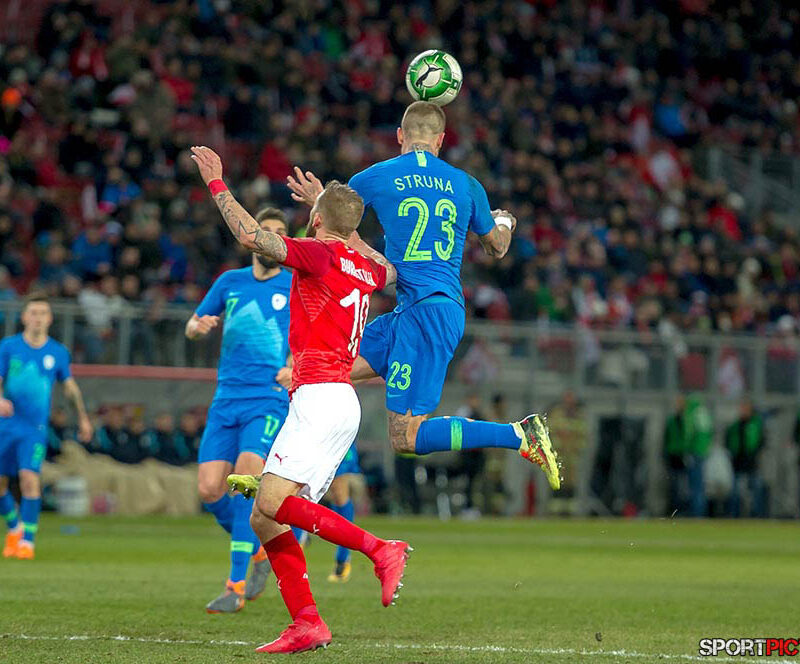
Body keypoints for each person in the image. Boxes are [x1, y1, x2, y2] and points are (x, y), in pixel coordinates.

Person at [191, 145, 408, 654]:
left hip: (319, 398)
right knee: (265, 515)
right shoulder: (363, 265)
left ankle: (379, 548)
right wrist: (338, 218)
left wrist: (217, 182)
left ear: (315, 220)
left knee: (270, 505)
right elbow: (391, 273)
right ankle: (307, 622)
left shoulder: (319, 254)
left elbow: (251, 237)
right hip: (339, 399)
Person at [287, 102, 560, 490]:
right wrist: (504, 220)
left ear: (400, 135)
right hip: (424, 310)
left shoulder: (375, 176)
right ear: (441, 140)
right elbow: (497, 247)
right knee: (321, 373)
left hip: (425, 313)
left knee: (406, 437)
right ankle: (284, 473)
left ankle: (519, 434)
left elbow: (334, 228)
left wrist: (320, 201)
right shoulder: (467, 185)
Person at [185, 206, 300, 614]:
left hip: (267, 398)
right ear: (250, 237)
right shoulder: (229, 282)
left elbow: (312, 334)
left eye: (278, 231)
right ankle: (260, 548)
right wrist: (197, 328)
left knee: (243, 482)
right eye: (263, 230)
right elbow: (193, 323)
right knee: (208, 489)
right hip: (226, 398)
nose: (270, 237)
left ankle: (234, 587)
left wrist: (295, 365)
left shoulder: (295, 284)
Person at [0, 292, 93, 560]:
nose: (38, 318)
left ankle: (27, 542)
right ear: (24, 317)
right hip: (5, 425)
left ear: (50, 318)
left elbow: (69, 387)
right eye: (33, 313)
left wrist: (83, 417)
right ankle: (14, 528)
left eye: (43, 313)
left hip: (34, 429)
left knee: (29, 479)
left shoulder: (58, 352)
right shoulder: (8, 347)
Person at [325, 442, 360, 583]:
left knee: (339, 492)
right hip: (309, 434)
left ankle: (343, 558)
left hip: (337, 436)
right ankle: (297, 543)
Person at [725, 399, 766, 518]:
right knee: (735, 490)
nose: (743, 411)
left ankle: (757, 514)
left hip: (752, 461)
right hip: (737, 461)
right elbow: (728, 440)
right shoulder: (735, 425)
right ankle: (734, 514)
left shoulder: (756, 424)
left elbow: (761, 441)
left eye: (745, 408)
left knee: (755, 489)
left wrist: (754, 454)